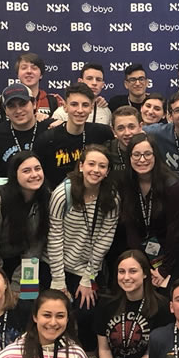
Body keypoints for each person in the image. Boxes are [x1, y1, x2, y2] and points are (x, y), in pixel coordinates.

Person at [47, 145, 120, 341]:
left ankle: (88, 353)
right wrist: (58, 280)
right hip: (58, 264)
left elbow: (105, 239)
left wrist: (88, 277)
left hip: (87, 267)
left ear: (107, 171)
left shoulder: (112, 197)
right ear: (81, 166)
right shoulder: (63, 194)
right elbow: (54, 237)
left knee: (87, 312)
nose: (96, 170)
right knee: (56, 312)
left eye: (102, 166)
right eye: (91, 164)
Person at [94, 251, 172, 358]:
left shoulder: (161, 306)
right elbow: (104, 349)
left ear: (145, 274)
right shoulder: (106, 304)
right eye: (121, 272)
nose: (126, 277)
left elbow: (151, 354)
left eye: (133, 271)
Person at [0, 152, 51, 301]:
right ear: (15, 175)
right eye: (26, 171)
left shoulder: (44, 198)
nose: (34, 175)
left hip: (25, 261)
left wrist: (18, 283)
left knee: (26, 302)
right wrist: (3, 282)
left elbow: (36, 246)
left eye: (37, 169)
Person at [120, 134, 179, 283]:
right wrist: (141, 263)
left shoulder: (172, 185)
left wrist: (164, 269)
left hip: (173, 253)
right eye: (136, 155)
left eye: (147, 154)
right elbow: (129, 225)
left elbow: (175, 230)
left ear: (155, 155)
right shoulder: (126, 182)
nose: (142, 160)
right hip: (143, 252)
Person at [31, 83, 113, 187]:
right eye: (74, 104)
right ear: (65, 107)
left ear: (91, 108)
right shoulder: (47, 139)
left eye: (85, 105)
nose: (80, 110)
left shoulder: (102, 133)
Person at [0, 83, 56, 187]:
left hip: (46, 194)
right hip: (8, 194)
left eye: (23, 104)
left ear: (34, 104)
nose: (18, 110)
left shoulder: (51, 129)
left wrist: (62, 123)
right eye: (11, 106)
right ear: (5, 110)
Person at [0, 52, 63, 125]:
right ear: (18, 74)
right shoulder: (4, 99)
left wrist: (49, 121)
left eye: (34, 68)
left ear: (41, 75)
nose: (29, 71)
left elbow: (65, 128)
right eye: (24, 68)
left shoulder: (54, 101)